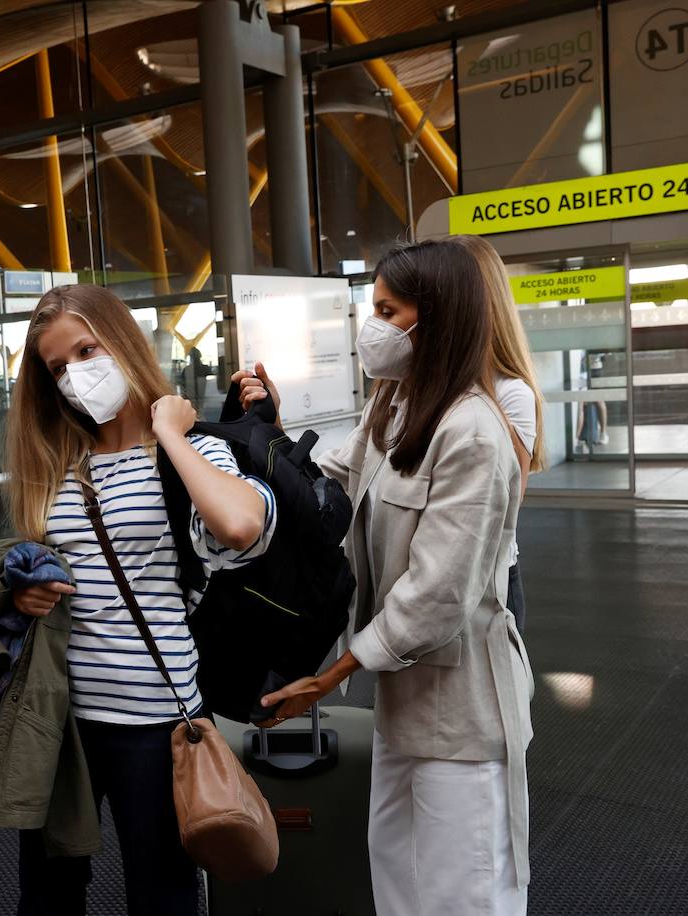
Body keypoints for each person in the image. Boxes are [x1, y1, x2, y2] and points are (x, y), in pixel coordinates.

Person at [238, 239, 532, 915]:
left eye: (385, 309)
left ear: (436, 317)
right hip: (399, 706)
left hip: (463, 715)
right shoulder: (393, 405)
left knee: (465, 897)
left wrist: (333, 675)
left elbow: (435, 599)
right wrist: (263, 447)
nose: (370, 325)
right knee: (398, 887)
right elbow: (331, 485)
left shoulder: (476, 434)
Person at [2, 284, 277, 916]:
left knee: (161, 893)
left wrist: (171, 431)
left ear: (121, 341)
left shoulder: (189, 451)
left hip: (154, 720)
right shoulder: (60, 462)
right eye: (57, 367)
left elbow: (240, 527)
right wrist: (30, 588)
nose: (75, 375)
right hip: (61, 718)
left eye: (86, 350)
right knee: (47, 894)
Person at [454, 235, 545, 635]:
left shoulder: (511, 392)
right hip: (431, 582)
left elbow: (504, 504)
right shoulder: (420, 386)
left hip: (489, 587)